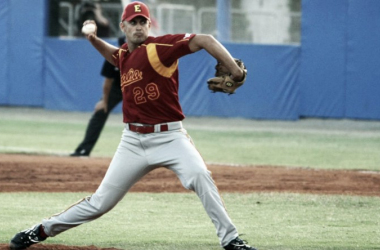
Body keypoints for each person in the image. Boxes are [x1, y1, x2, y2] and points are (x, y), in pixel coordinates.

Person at [9, 2, 255, 250]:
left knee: (200, 176)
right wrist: (93, 38)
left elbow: (205, 39)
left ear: (149, 25)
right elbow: (113, 56)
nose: (138, 27)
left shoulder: (161, 47)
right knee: (100, 204)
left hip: (170, 137)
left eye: (142, 22)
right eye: (133, 22)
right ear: (123, 26)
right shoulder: (125, 54)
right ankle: (39, 231)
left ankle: (231, 240)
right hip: (133, 142)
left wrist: (235, 71)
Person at [70, 37, 125, 157]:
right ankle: (84, 150)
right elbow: (108, 82)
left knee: (146, 117)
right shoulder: (114, 56)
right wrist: (104, 101)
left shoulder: (142, 56)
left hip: (136, 88)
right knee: (99, 113)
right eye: (124, 46)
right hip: (117, 88)